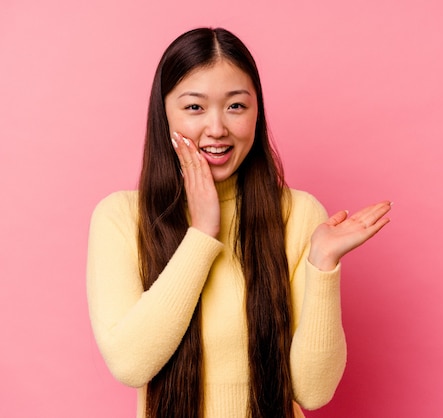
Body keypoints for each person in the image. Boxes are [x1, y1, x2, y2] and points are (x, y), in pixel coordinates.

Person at [86, 27, 391, 418]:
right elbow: (130, 364)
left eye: (236, 106)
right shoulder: (121, 218)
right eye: (194, 107)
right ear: (163, 113)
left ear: (256, 112)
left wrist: (323, 263)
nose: (217, 129)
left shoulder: (299, 215)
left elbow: (313, 393)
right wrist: (201, 233)